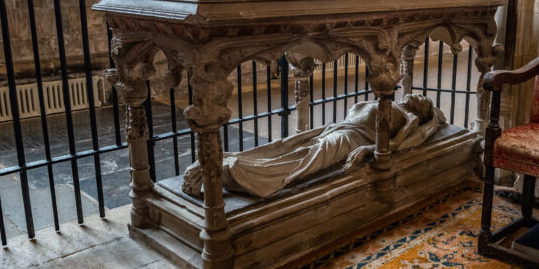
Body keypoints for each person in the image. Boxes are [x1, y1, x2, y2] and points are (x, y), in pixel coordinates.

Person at [181, 94, 445, 199]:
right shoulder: (388, 97)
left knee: (305, 158)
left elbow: (398, 143)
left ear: (422, 113)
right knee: (283, 145)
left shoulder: (410, 120)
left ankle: (244, 175)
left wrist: (367, 150)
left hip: (350, 140)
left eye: (425, 101)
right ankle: (224, 161)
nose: (421, 96)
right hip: (336, 128)